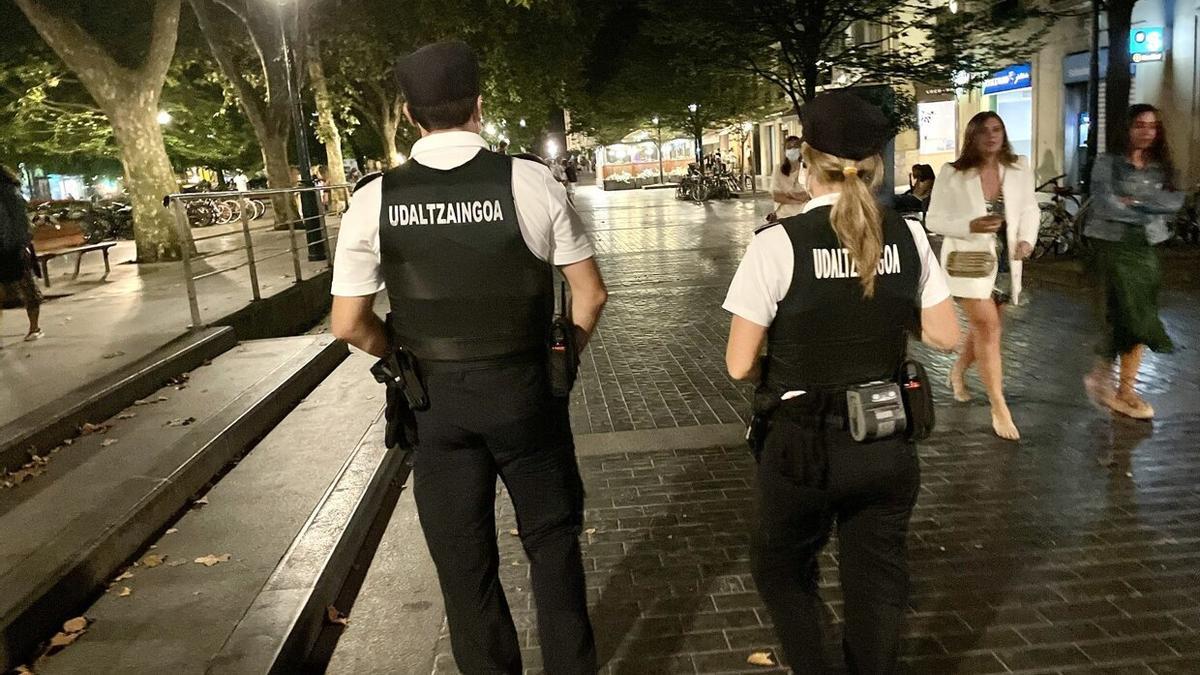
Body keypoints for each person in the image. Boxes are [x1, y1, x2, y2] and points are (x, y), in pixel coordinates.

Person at [328, 41, 607, 675]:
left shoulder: (375, 198)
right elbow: (589, 293)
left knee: (464, 569)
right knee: (553, 548)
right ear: (478, 106)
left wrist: (399, 358)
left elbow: (347, 322)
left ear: (407, 114)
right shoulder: (529, 180)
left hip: (437, 407)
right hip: (528, 398)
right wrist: (561, 357)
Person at [723, 90, 959, 674]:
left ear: (807, 164)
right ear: (877, 167)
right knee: (877, 578)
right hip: (884, 436)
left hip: (803, 445)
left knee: (780, 567)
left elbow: (738, 364)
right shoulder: (906, 238)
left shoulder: (777, 244)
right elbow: (946, 334)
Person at [925, 112, 1039, 441]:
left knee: (985, 328)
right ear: (972, 137)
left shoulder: (1019, 166)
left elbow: (1030, 208)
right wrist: (969, 226)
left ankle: (959, 371)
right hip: (968, 263)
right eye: (984, 131)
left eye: (997, 129)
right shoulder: (953, 172)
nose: (992, 136)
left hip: (1006, 261)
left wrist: (1027, 239)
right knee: (989, 327)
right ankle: (998, 406)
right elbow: (934, 219)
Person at [1082, 104, 1183, 420]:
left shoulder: (1160, 166)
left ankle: (1119, 385)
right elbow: (1106, 204)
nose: (1146, 132)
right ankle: (1114, 383)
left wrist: (1136, 203)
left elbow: (1174, 202)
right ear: (1126, 128)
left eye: (1152, 126)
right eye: (1140, 125)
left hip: (1146, 245)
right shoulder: (1107, 163)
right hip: (1110, 244)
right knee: (1124, 313)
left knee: (1141, 314)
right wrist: (1147, 206)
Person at [0, 165, 44, 346]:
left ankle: (34, 328)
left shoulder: (9, 193)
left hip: (11, 246)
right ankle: (34, 328)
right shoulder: (12, 192)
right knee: (25, 287)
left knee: (25, 287)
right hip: (11, 246)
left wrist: (18, 243)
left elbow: (17, 222)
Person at [769, 135, 811, 221]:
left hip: (803, 216)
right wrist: (797, 200)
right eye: (789, 147)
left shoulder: (807, 168)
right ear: (784, 150)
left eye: (795, 147)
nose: (792, 150)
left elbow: (807, 195)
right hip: (783, 217)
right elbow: (776, 196)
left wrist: (787, 194)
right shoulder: (778, 169)